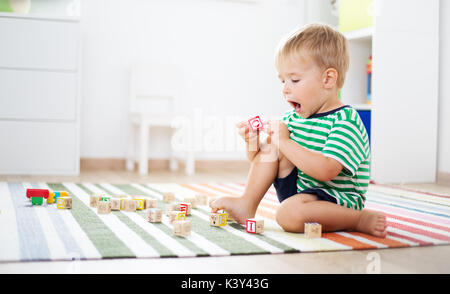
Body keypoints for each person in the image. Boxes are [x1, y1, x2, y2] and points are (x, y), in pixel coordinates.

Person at [210, 23, 387, 238]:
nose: (285, 88)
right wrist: (253, 143)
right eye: (282, 80)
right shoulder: (291, 118)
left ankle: (358, 219)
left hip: (335, 200)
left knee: (287, 215)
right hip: (300, 193)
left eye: (294, 80)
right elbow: (260, 161)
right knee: (272, 146)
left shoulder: (345, 121)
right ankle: (246, 204)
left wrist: (284, 141)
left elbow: (326, 170)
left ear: (328, 79)